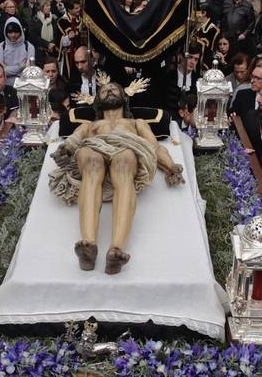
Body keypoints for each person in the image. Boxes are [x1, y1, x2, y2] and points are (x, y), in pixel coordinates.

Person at [49, 82, 185, 274]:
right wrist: (65, 149)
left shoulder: (137, 124)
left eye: (113, 89)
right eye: (104, 90)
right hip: (93, 149)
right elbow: (73, 140)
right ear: (97, 101)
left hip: (126, 149)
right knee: (93, 162)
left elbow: (155, 148)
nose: (109, 90)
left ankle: (116, 250)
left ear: (124, 97)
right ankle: (88, 245)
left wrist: (171, 166)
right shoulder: (90, 125)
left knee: (123, 161)